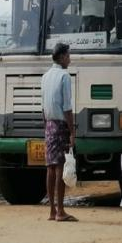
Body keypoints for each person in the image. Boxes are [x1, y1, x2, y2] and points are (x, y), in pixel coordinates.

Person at [41, 43, 78, 222]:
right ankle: (61, 211)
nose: (70, 59)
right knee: (60, 168)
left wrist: (45, 125)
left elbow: (43, 106)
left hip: (48, 124)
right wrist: (72, 131)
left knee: (50, 168)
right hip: (60, 125)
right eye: (68, 56)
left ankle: (51, 210)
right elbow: (67, 108)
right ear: (62, 57)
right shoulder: (64, 76)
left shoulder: (45, 76)